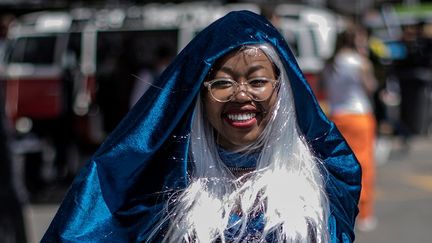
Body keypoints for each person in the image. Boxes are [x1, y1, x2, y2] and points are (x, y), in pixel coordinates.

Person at [42, 11, 361, 242]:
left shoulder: (321, 180)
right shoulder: (164, 187)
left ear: (281, 89)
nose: (241, 95)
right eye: (222, 82)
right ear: (201, 94)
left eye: (257, 81)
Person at [321, 25, 378, 232]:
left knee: (337, 164)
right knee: (363, 165)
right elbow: (370, 86)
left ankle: (337, 208)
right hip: (359, 116)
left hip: (336, 115)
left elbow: (322, 89)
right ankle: (363, 213)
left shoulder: (330, 63)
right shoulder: (359, 62)